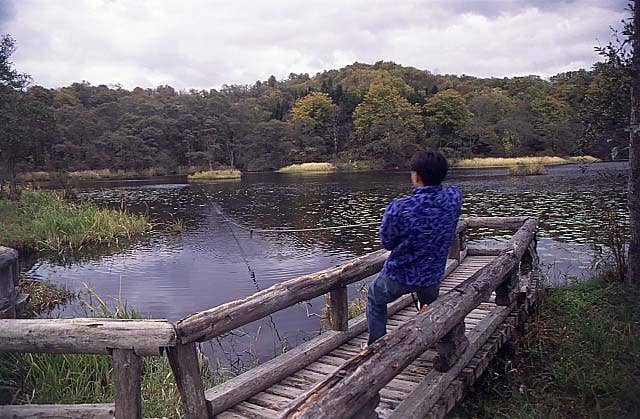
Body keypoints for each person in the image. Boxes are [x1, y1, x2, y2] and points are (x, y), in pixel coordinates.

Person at [366, 150, 462, 345]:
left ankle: (376, 345)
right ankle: (442, 341)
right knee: (429, 304)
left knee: (375, 298)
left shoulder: (400, 207)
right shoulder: (454, 198)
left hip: (400, 275)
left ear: (416, 176)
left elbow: (387, 242)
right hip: (433, 273)